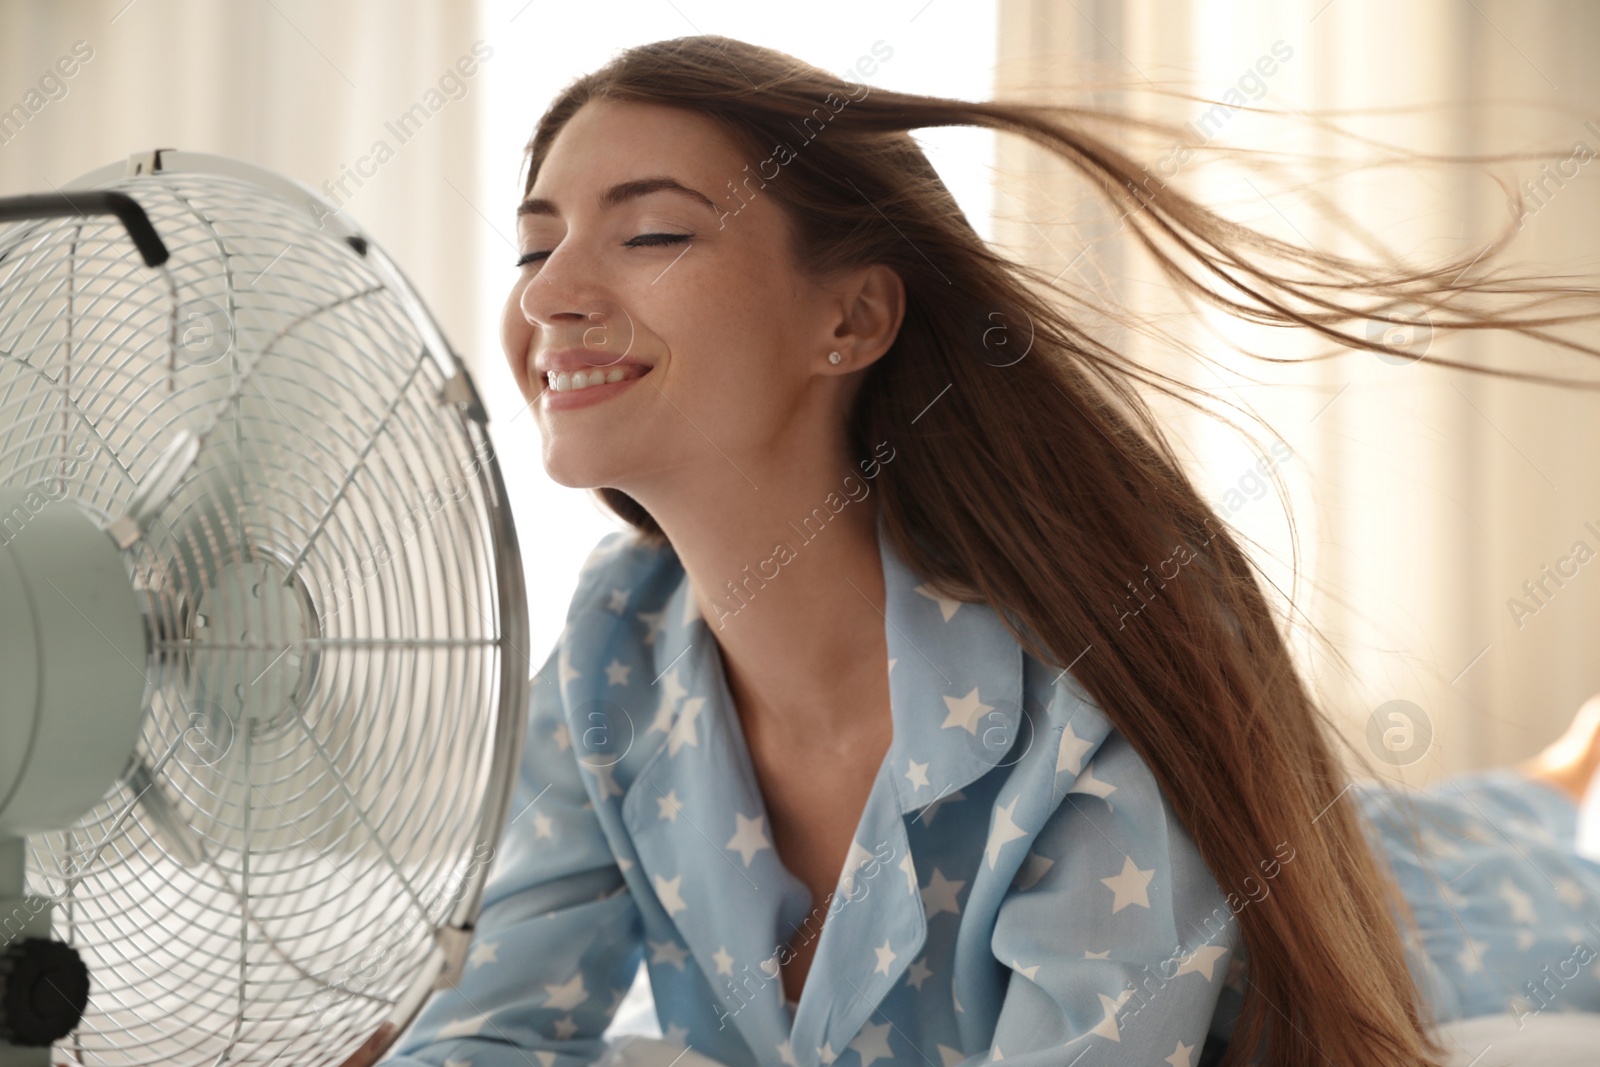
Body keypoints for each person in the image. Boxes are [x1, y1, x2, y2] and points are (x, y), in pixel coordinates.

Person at [344, 34, 1600, 1067]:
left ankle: (1558, 779)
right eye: (531, 243)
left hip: (1411, 900)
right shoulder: (611, 652)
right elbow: (485, 1032)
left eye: (652, 232)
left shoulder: (1087, 682)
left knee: (1476, 863)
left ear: (852, 315)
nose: (547, 292)